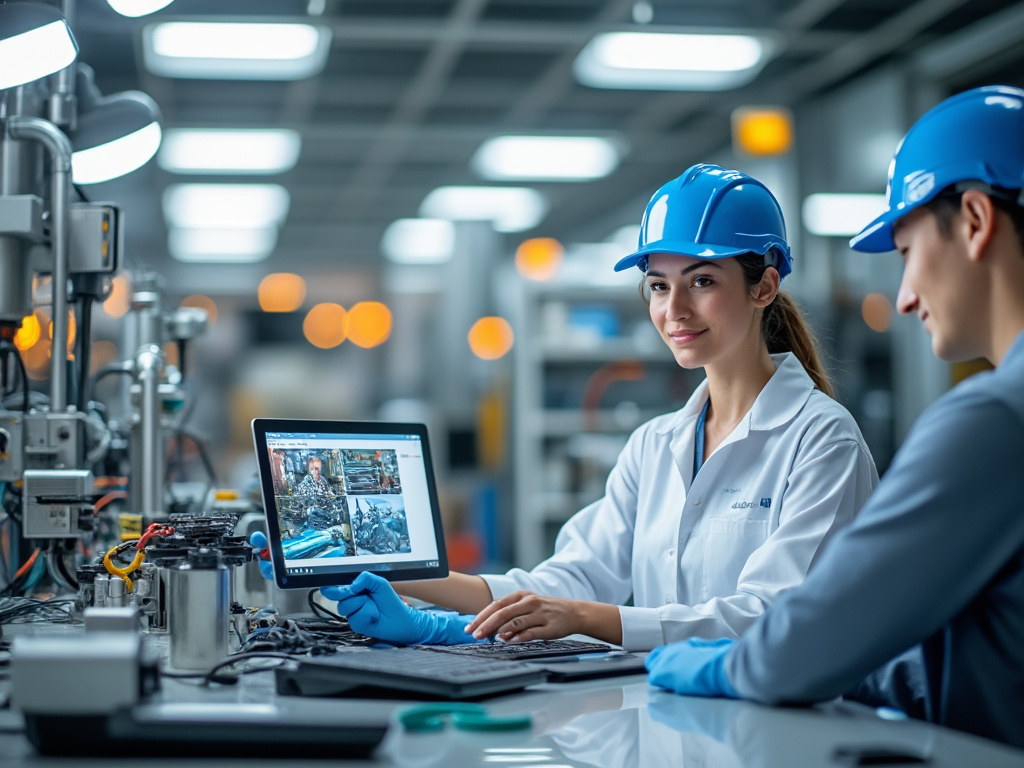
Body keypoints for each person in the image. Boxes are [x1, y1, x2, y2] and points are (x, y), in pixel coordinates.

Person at [255, 163, 878, 652]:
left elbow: (774, 616)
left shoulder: (822, 441)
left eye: (703, 280)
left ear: (764, 286)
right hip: (675, 719)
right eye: (659, 286)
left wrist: (585, 618)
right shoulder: (657, 444)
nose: (674, 310)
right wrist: (394, 579)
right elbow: (570, 581)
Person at [644, 85, 1024, 749]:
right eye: (657, 285)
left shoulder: (994, 421)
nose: (903, 299)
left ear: (973, 220)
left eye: (906, 255)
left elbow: (810, 640)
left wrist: (711, 665)